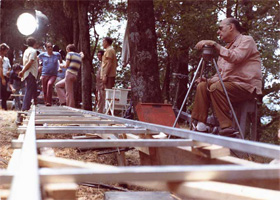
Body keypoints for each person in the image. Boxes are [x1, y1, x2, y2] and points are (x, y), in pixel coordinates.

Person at [191, 18, 262, 137]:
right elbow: (221, 75)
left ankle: (226, 128)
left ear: (231, 27)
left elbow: (236, 57)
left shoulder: (247, 40)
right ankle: (200, 126)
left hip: (245, 87)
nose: (218, 32)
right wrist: (208, 80)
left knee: (216, 88)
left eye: (220, 28)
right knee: (203, 86)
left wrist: (214, 44)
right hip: (228, 86)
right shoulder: (225, 48)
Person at [19, 37, 39, 111]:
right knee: (29, 90)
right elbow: (30, 62)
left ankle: (34, 104)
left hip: (29, 73)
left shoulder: (26, 51)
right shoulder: (33, 51)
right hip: (31, 73)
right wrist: (22, 71)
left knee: (33, 89)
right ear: (34, 43)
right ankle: (25, 108)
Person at [0, 43, 12, 110]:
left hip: (6, 76)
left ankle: (4, 107)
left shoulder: (6, 59)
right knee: (2, 92)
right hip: (1, 77)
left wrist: (8, 71)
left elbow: (9, 67)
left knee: (5, 92)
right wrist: (2, 78)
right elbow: (0, 68)